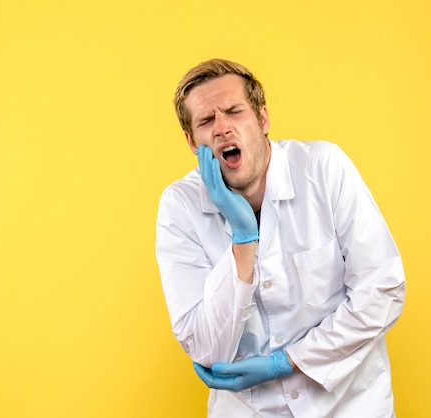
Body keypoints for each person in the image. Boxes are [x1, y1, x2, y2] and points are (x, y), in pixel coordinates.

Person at [156, 58, 406, 417]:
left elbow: (383, 289)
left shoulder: (323, 167)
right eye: (206, 121)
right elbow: (205, 347)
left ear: (262, 119)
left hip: (349, 406)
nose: (222, 128)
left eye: (234, 111)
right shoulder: (180, 207)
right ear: (193, 142)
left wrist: (288, 361)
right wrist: (243, 241)